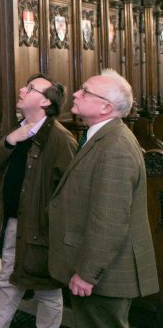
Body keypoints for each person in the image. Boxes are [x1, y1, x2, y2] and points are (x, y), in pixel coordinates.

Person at [49, 69, 159, 327]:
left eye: (85, 91)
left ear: (105, 107)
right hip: (99, 268)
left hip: (106, 275)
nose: (76, 93)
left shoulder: (115, 147)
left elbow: (109, 221)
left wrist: (87, 274)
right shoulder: (101, 136)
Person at [0, 74, 76, 328]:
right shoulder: (20, 128)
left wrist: (52, 229)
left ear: (46, 102)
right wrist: (10, 141)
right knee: (8, 280)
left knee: (47, 289)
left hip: (41, 228)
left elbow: (70, 194)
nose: (22, 90)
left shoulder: (61, 140)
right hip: (13, 222)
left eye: (30, 88)